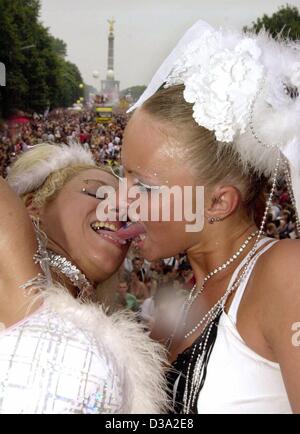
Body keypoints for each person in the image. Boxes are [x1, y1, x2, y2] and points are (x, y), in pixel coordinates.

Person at [118, 21, 300, 413]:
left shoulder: (286, 274)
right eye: (123, 173)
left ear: (218, 203)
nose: (121, 199)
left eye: (145, 187)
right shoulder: (185, 300)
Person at [0, 143, 168, 414]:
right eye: (98, 193)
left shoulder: (117, 340)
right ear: (33, 206)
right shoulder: (16, 284)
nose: (122, 212)